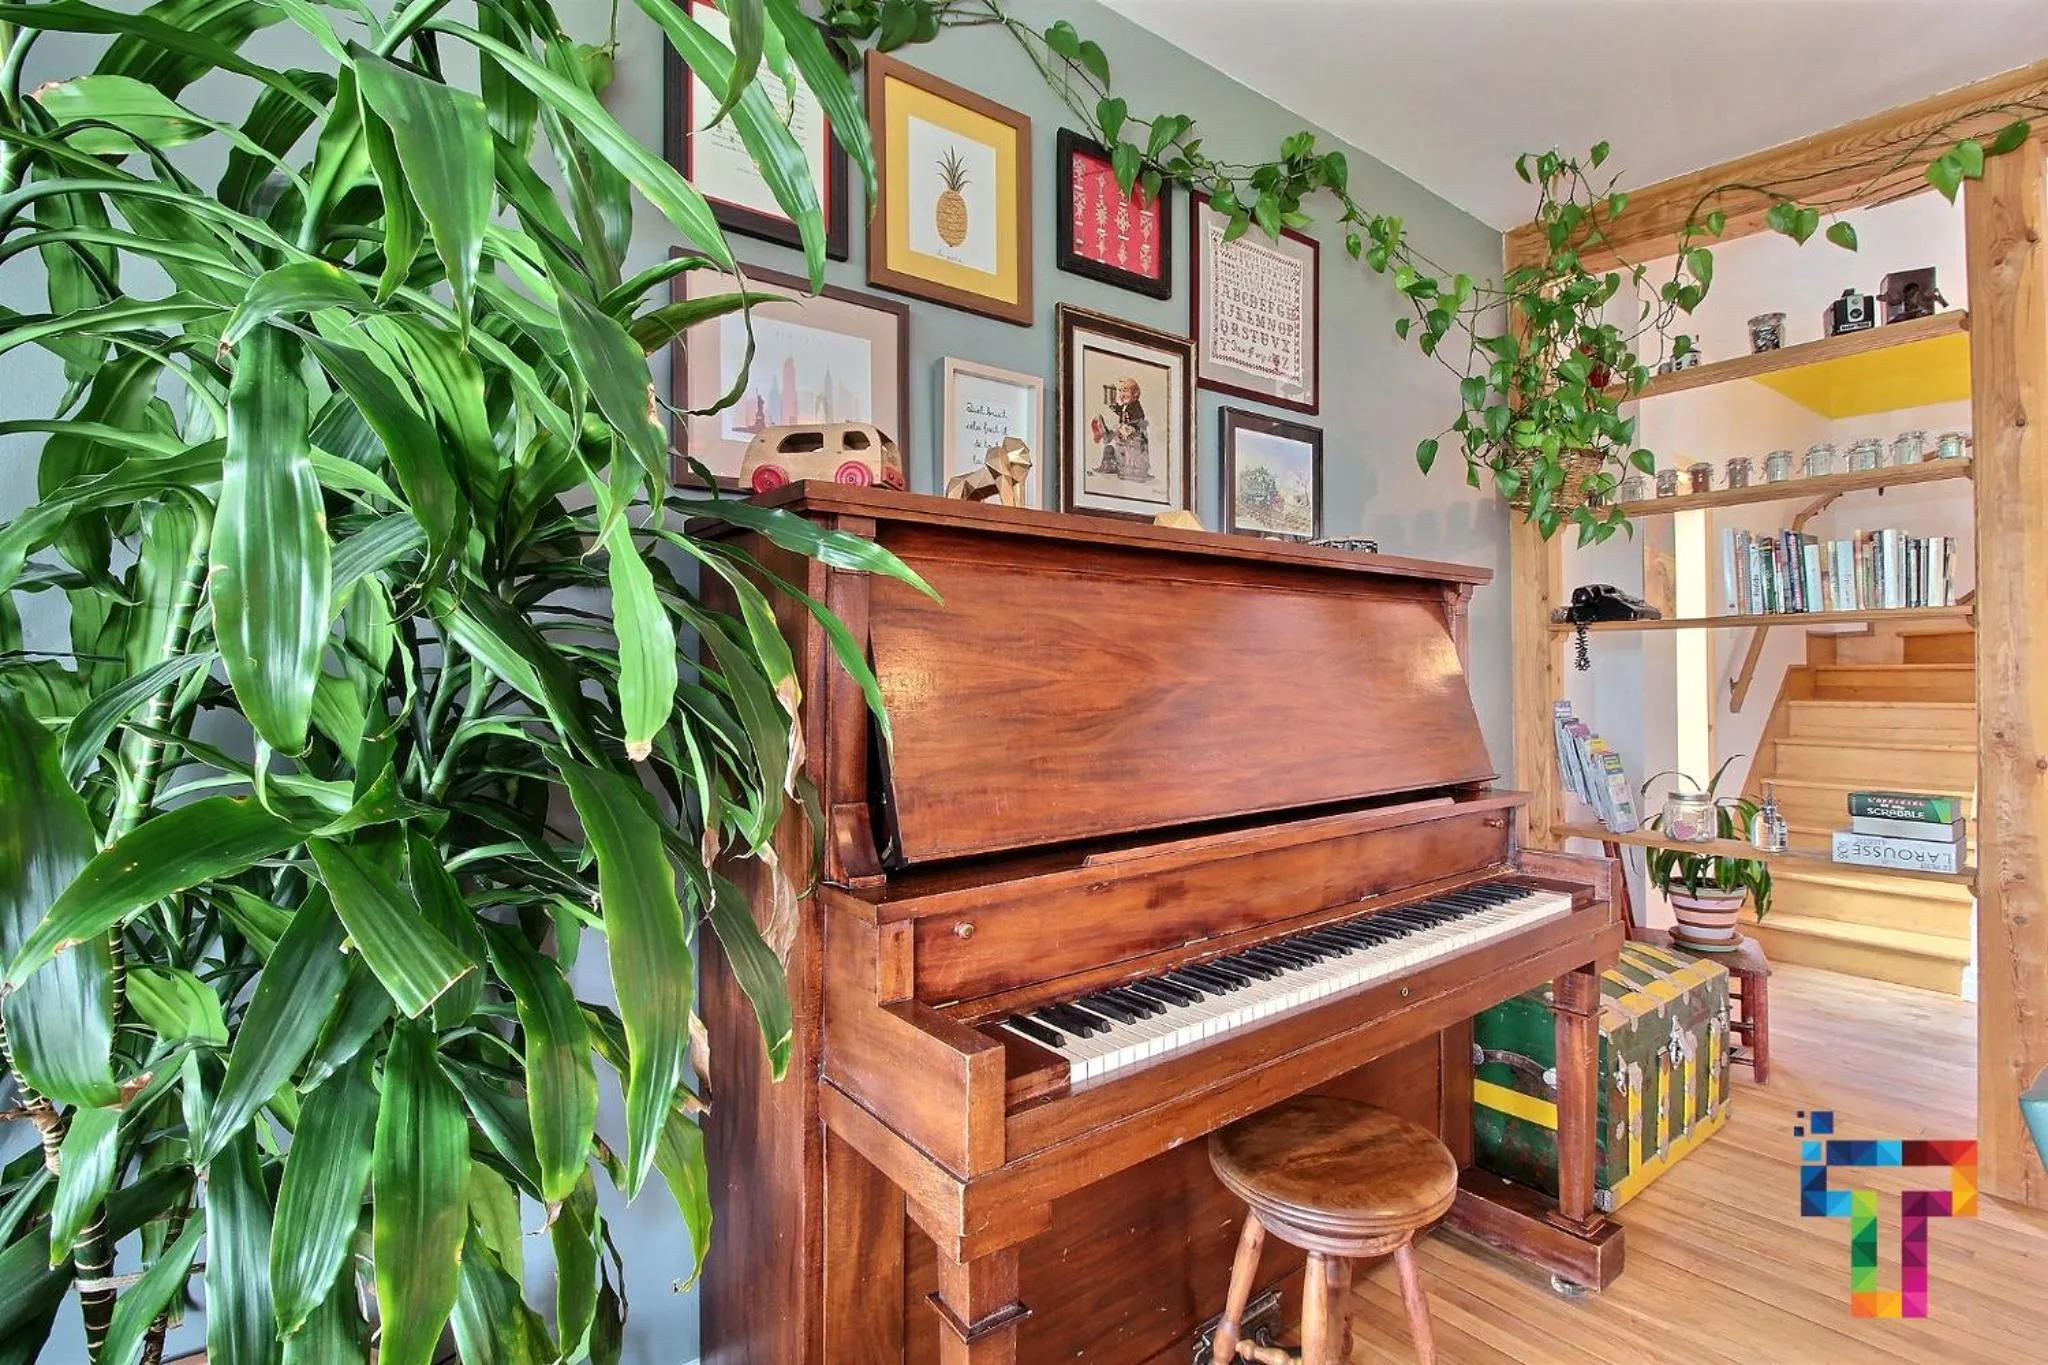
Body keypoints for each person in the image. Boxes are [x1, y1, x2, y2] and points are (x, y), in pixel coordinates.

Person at [1094, 377, 1150, 483]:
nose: (1122, 394)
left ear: (1135, 393)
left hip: (1133, 433)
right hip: (1125, 433)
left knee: (1118, 429)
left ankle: (1108, 435)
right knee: (1117, 432)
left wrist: (1131, 428)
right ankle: (1108, 436)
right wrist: (1113, 406)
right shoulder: (1126, 406)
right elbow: (1121, 412)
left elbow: (1140, 420)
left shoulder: (1135, 407)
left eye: (1125, 390)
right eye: (1120, 391)